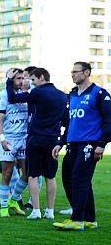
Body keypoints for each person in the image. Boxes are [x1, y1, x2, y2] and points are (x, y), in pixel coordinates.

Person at [53, 62, 110, 230]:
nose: (73, 75)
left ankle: (77, 220)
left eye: (76, 72)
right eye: (71, 72)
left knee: (79, 180)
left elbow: (109, 121)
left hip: (89, 145)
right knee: (73, 179)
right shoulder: (72, 95)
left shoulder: (99, 94)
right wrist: (61, 142)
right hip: (73, 145)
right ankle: (90, 219)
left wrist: (101, 144)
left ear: (87, 73)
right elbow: (71, 123)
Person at [8, 67, 68, 219]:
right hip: (53, 139)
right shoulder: (62, 96)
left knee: (33, 174)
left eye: (33, 80)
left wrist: (9, 80)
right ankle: (50, 211)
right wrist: (61, 141)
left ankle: (36, 210)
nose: (32, 83)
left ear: (42, 77)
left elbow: (13, 98)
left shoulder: (37, 92)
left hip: (36, 138)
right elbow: (67, 120)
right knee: (50, 176)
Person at [0, 69, 30, 216]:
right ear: (10, 79)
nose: (21, 81)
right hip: (10, 139)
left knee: (28, 172)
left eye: (23, 78)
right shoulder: (2, 96)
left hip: (24, 138)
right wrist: (2, 139)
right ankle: (4, 207)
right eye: (18, 78)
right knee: (7, 173)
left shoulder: (26, 95)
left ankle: (14, 200)